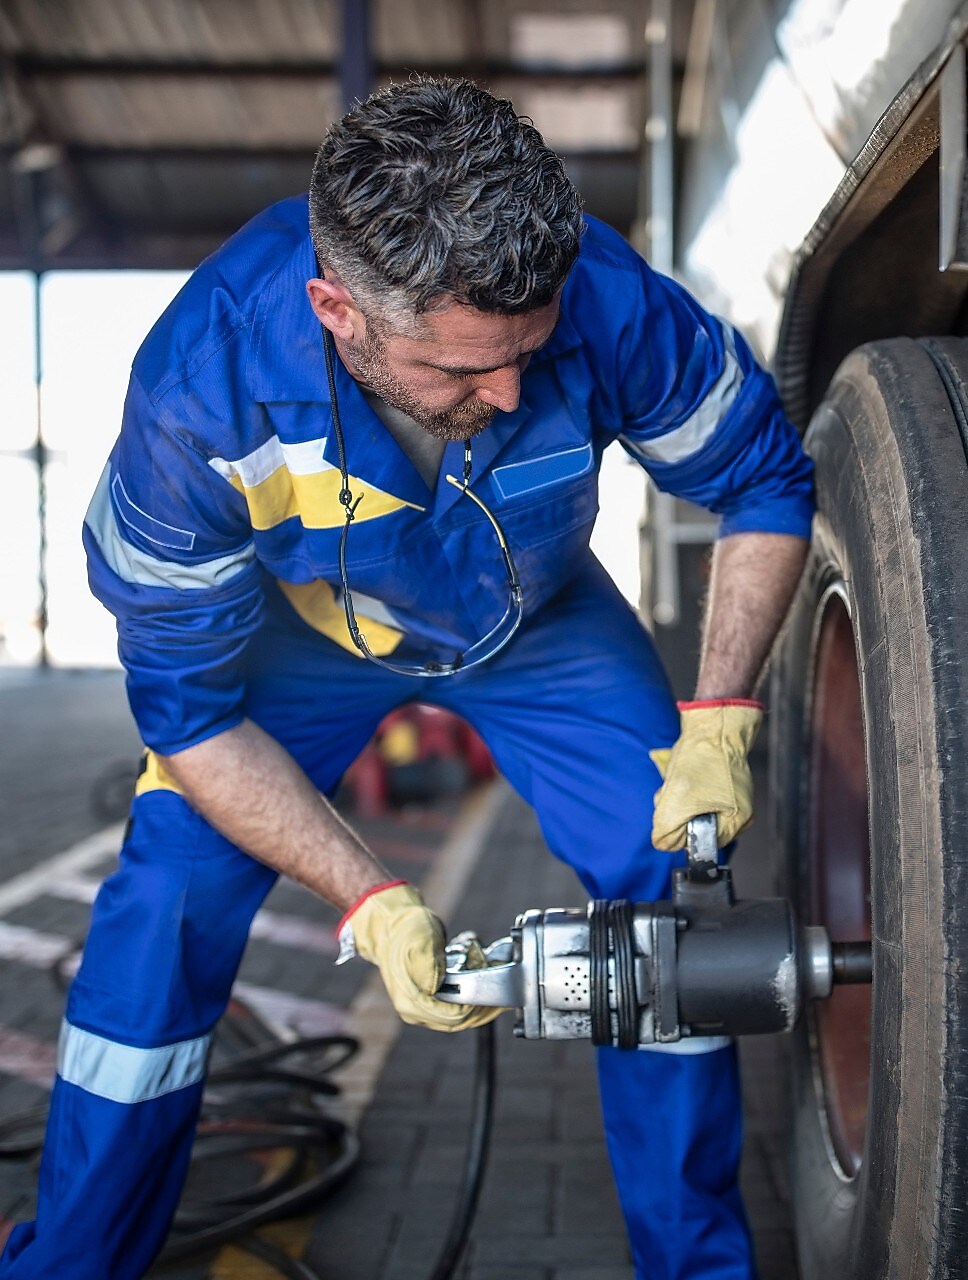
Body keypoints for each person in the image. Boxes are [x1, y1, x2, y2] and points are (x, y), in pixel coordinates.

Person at [0, 77, 813, 1279]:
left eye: (529, 355)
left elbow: (761, 480)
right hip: (301, 641)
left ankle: (696, 1265)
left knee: (664, 890)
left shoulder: (602, 293)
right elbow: (197, 718)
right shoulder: (196, 400)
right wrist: (367, 893)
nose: (509, 397)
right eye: (462, 371)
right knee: (165, 897)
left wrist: (722, 708)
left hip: (534, 620)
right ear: (338, 311)